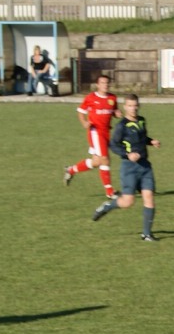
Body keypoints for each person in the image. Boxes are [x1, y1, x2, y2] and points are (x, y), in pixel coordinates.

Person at [92, 93, 160, 241]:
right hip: (129, 168)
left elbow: (141, 139)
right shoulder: (121, 126)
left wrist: (151, 141)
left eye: (135, 105)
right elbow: (113, 145)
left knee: (149, 197)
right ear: (125, 107)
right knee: (128, 201)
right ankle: (108, 206)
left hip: (145, 166)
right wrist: (127, 154)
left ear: (139, 106)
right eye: (130, 106)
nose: (133, 108)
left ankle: (147, 234)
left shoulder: (142, 121)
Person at [65, 74, 118, 199]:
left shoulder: (112, 98)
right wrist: (84, 122)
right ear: (97, 85)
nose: (105, 85)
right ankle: (109, 191)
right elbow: (81, 111)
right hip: (95, 132)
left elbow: (114, 111)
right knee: (105, 158)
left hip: (106, 132)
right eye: (103, 83)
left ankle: (71, 170)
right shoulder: (91, 98)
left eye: (107, 83)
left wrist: (117, 113)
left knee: (97, 162)